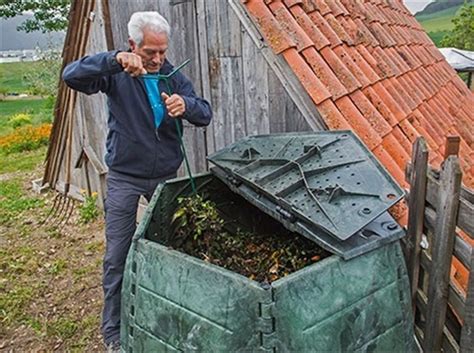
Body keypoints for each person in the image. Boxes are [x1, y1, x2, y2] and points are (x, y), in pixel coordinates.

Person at [62, 11, 212, 352]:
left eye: (162, 51)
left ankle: (165, 310)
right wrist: (114, 60)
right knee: (118, 254)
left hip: (165, 178)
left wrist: (185, 104)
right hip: (125, 178)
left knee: (172, 248)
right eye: (150, 53)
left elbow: (205, 113)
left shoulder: (171, 75)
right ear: (133, 46)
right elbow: (71, 76)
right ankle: (113, 331)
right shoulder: (117, 73)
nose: (158, 59)